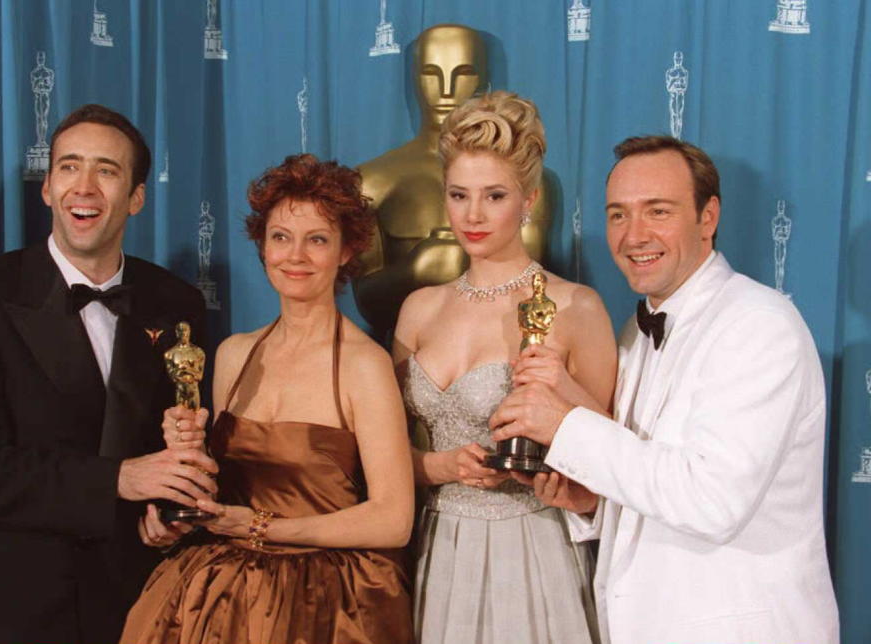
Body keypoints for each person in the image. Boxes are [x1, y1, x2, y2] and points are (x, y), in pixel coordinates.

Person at [491, 135, 839, 643]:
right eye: (617, 215)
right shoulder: (637, 332)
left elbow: (710, 501)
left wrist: (564, 423)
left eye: (658, 211)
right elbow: (649, 477)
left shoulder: (760, 325)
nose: (634, 235)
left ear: (708, 217)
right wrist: (589, 499)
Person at [0, 104, 215, 644]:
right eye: (68, 167)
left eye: (107, 171)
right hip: (19, 609)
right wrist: (118, 480)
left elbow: (178, 445)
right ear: (48, 188)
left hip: (143, 603)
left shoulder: (177, 303)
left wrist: (168, 516)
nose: (85, 187)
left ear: (137, 197)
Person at [120, 154, 415, 644]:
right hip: (221, 597)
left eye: (316, 239)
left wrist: (261, 528)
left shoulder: (365, 365)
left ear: (346, 251)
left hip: (330, 603)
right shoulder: (234, 354)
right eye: (281, 237)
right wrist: (177, 514)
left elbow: (393, 519)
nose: (294, 255)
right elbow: (219, 492)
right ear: (263, 245)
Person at [393, 91, 615, 643]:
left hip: (532, 547)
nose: (473, 214)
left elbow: (610, 463)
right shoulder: (417, 309)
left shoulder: (573, 307)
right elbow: (386, 459)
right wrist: (441, 467)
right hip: (434, 545)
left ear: (529, 200)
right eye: (459, 195)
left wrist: (545, 471)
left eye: (494, 196)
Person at [353, 24, 552, 341]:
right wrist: (415, 272)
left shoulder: (532, 179)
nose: (446, 89)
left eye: (463, 73)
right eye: (431, 73)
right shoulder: (371, 180)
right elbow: (365, 299)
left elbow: (534, 285)